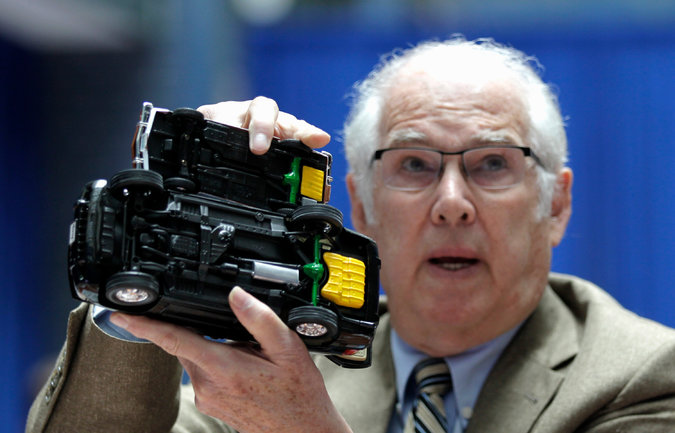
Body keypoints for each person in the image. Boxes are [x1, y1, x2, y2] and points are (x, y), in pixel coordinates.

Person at [26, 37, 675, 433]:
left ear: (554, 205)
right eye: (414, 165)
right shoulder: (274, 373)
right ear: (359, 207)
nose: (451, 204)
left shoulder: (638, 378)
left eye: (492, 164)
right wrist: (148, 288)